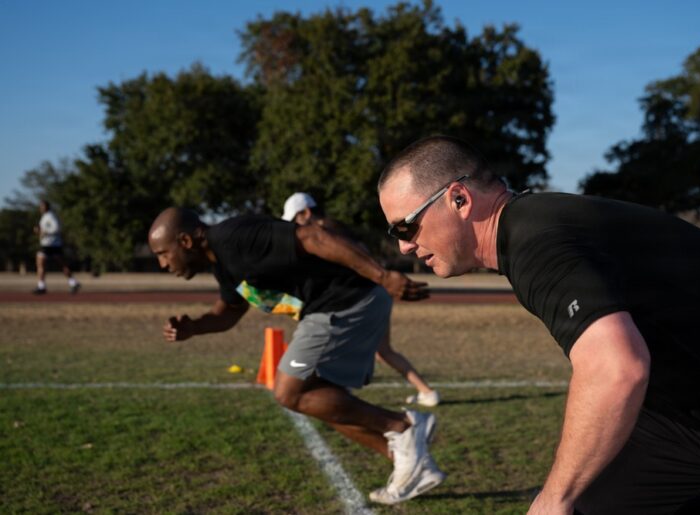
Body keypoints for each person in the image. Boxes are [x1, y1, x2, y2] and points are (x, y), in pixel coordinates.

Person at [377, 135, 700, 514]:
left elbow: (616, 369)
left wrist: (555, 498)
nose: (403, 247)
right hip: (692, 413)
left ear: (459, 199)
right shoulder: (534, 227)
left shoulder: (537, 243)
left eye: (405, 227)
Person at [147, 207, 445, 504]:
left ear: (185, 242)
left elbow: (314, 236)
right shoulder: (223, 264)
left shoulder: (234, 237)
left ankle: (402, 426)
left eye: (163, 253)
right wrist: (194, 327)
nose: (162, 264)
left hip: (342, 302)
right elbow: (228, 313)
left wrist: (382, 275)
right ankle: (408, 461)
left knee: (288, 393)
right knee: (322, 402)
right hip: (337, 306)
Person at [282, 192, 441, 407]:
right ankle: (426, 392)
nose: (295, 229)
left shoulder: (321, 233)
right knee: (383, 351)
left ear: (306, 212)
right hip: (373, 293)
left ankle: (336, 394)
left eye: (295, 221)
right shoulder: (336, 227)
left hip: (362, 297)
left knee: (344, 348)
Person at [33, 200, 80, 294]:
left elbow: (56, 228)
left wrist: (44, 232)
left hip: (50, 244)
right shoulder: (45, 217)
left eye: (42, 206)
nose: (40, 208)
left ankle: (41, 286)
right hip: (49, 244)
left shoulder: (50, 216)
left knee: (44, 263)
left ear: (46, 207)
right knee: (54, 264)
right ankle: (73, 282)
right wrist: (40, 231)